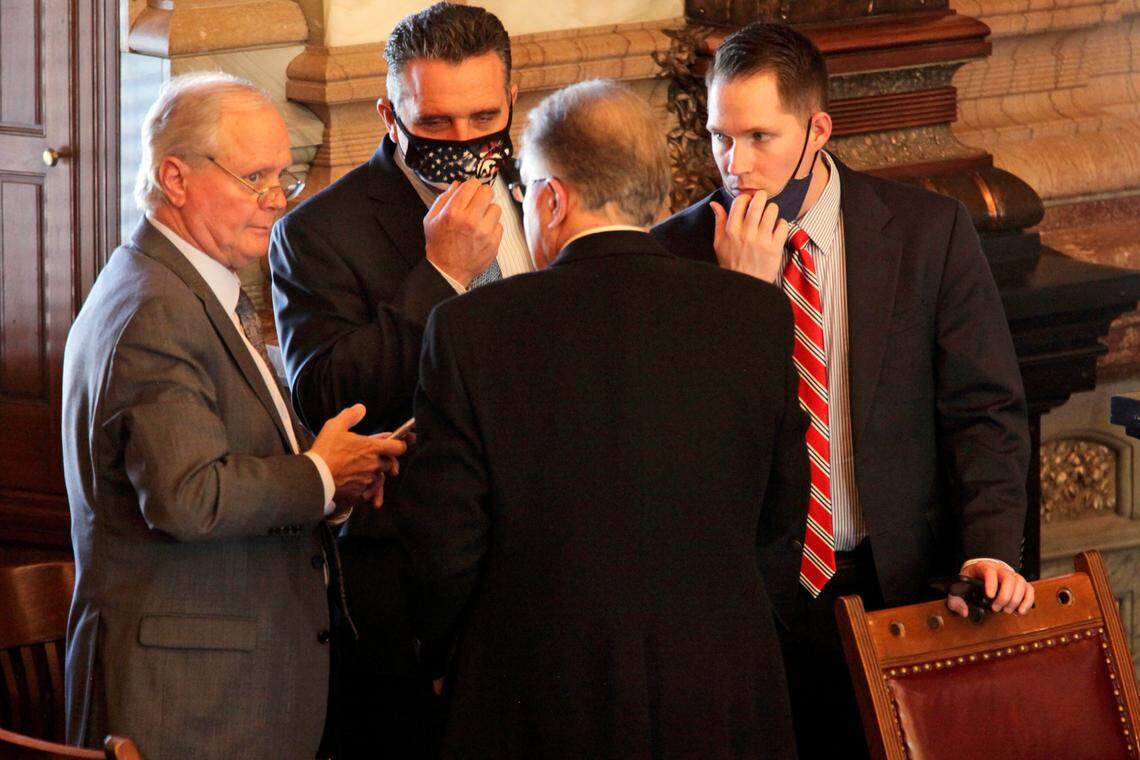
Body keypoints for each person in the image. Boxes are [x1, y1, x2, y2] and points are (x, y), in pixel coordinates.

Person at [651, 22, 1034, 757]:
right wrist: (740, 303)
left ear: (817, 130)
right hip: (752, 605)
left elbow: (985, 411)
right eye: (720, 137)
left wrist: (990, 548)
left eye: (760, 137)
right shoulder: (675, 254)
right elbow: (683, 449)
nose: (736, 164)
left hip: (903, 587)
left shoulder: (928, 233)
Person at [395, 79, 808, 759]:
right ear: (657, 195)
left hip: (536, 696)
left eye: (524, 193)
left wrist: (446, 659)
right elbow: (783, 513)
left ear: (552, 198)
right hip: (722, 689)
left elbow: (446, 549)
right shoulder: (754, 312)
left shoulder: (472, 329)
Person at [61, 72, 404, 759]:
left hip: (229, 690)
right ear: (174, 178)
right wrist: (319, 475)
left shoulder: (189, 283)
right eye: (254, 178)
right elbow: (190, 497)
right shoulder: (157, 308)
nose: (276, 200)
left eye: (282, 177)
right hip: (187, 704)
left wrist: (342, 475)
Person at [268, 3, 528, 753]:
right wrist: (441, 275)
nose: (465, 140)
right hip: (410, 573)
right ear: (390, 115)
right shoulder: (317, 233)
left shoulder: (544, 187)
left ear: (512, 102)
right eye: (436, 122)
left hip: (539, 551)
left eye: (484, 117)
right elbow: (326, 394)